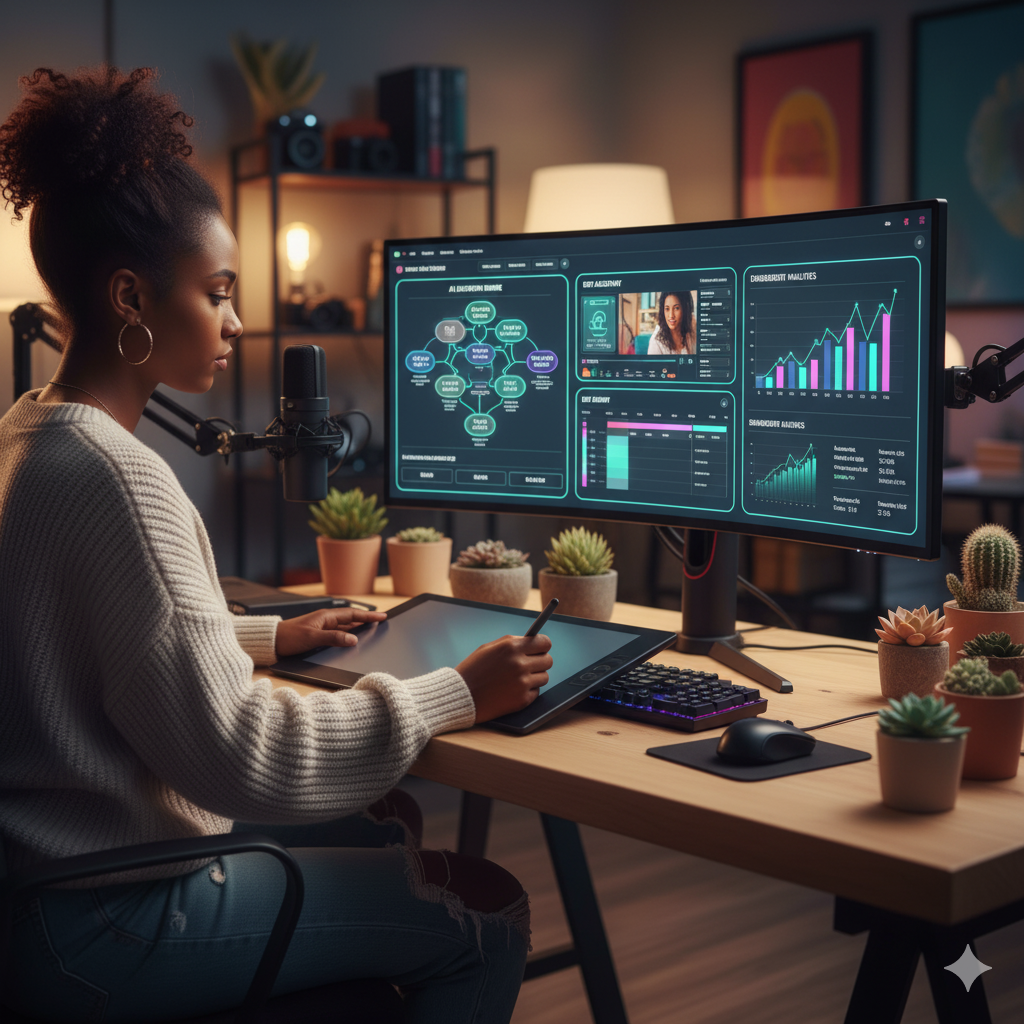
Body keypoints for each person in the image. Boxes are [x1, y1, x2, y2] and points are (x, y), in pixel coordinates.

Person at [0, 67, 552, 1023]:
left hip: (32, 899)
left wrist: (264, 640)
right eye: (217, 293)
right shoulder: (119, 478)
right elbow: (243, 756)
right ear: (130, 295)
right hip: (106, 921)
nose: (237, 322)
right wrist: (456, 691)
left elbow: (72, 639)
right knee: (485, 913)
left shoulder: (26, 433)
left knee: (385, 828)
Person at [646, 290, 696, 355]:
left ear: (685, 309)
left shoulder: (691, 330)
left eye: (676, 308)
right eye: (667, 309)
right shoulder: (656, 342)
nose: (671, 315)